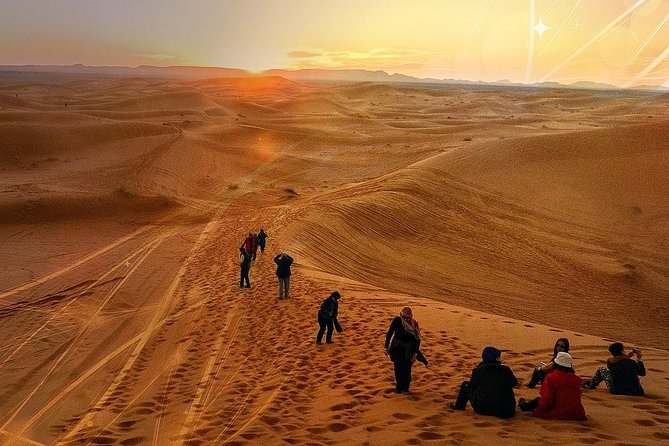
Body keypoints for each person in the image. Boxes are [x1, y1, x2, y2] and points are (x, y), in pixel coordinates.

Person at [449, 347, 518, 418]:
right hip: (507, 410)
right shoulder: (505, 369)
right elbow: (514, 383)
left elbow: (472, 386)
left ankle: (459, 405)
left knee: (465, 385)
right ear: (497, 358)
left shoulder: (477, 371)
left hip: (483, 409)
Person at [518, 352, 586, 420]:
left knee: (538, 401)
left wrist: (538, 412)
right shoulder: (576, 379)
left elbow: (546, 399)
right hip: (576, 413)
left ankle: (525, 406)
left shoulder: (552, 377)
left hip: (560, 413)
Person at [384, 307, 428, 394]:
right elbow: (390, 333)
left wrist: (415, 353)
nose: (406, 319)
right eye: (405, 317)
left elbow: (417, 339)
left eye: (408, 317)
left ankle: (404, 389)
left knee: (406, 371)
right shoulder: (397, 321)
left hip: (408, 351)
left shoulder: (413, 324)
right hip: (397, 350)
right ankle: (399, 389)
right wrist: (386, 346)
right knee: (399, 370)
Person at [582, 342, 646, 396]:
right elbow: (642, 373)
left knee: (602, 370)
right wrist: (639, 359)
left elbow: (619, 362)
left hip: (617, 390)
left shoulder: (610, 362)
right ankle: (591, 384)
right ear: (622, 351)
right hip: (636, 391)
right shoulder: (632, 363)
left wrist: (626, 356)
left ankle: (591, 385)